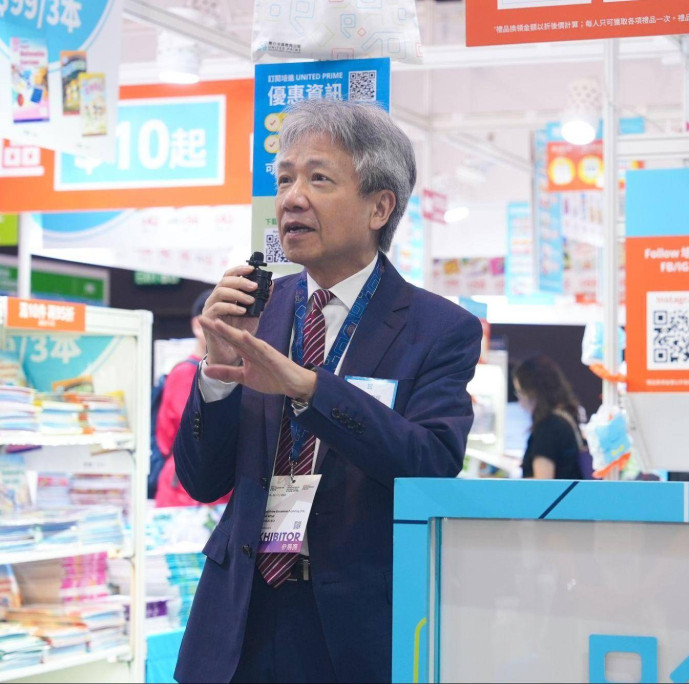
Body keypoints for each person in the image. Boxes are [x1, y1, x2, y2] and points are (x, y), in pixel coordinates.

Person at [171, 99, 482, 683]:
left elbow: (431, 462)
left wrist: (311, 388)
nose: (292, 198)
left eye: (318, 178)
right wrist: (216, 370)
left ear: (379, 207)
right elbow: (202, 482)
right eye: (284, 179)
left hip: (352, 628)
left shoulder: (439, 329)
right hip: (238, 619)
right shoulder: (256, 310)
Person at [153, 289, 232, 508]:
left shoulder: (226, 372)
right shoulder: (185, 373)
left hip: (207, 489)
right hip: (186, 492)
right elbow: (199, 434)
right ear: (198, 325)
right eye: (220, 320)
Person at [513, 354, 587, 480]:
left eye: (520, 392)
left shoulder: (548, 428)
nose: (520, 401)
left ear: (532, 392)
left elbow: (542, 483)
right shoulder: (565, 417)